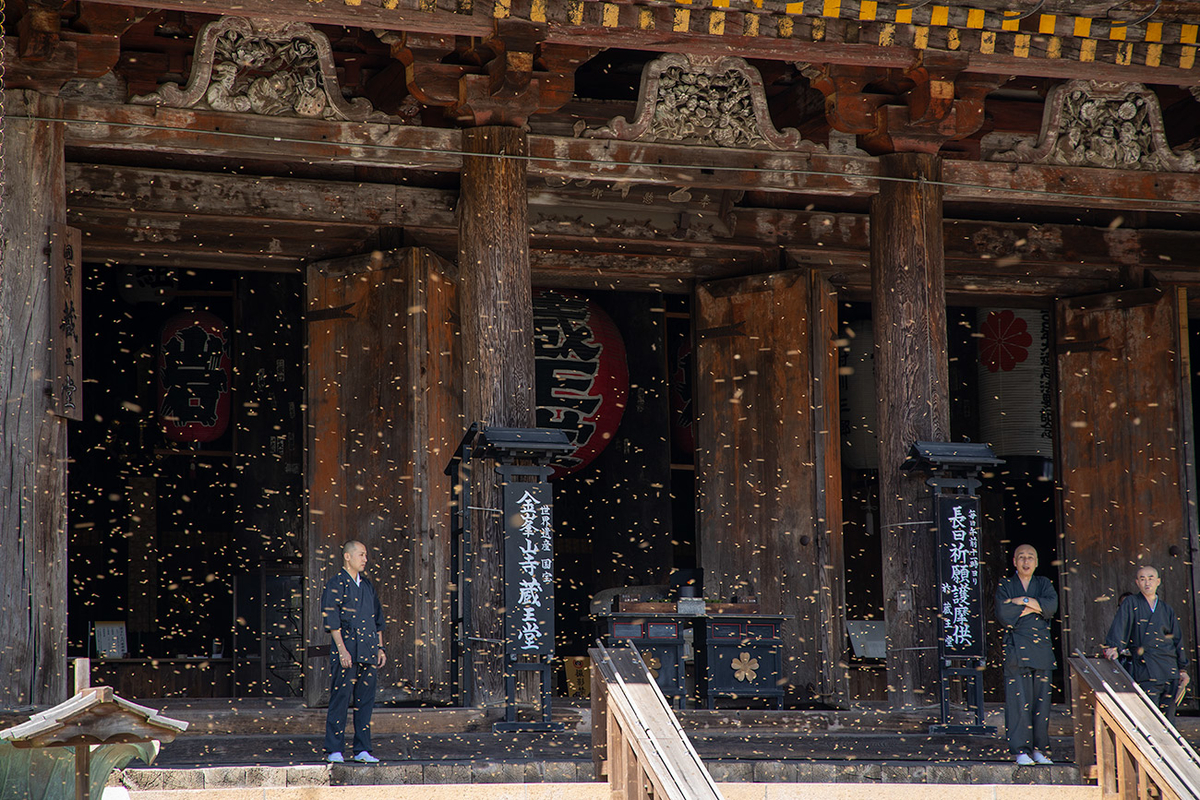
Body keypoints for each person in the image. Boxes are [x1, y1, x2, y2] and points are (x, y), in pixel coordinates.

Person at [322, 539, 386, 764]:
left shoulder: (367, 585)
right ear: (347, 556)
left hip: (368, 651)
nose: (365, 559)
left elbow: (377, 620)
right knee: (340, 699)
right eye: (361, 554)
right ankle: (334, 749)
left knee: (365, 702)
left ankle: (362, 749)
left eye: (366, 555)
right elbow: (332, 621)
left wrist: (380, 647)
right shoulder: (336, 584)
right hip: (347, 651)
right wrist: (342, 651)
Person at [995, 544, 1058, 766]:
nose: (1026, 561)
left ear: (1037, 562)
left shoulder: (1043, 583)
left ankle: (1040, 750)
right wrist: (1034, 605)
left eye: (1030, 557)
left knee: (1041, 703)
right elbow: (1003, 613)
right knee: (1019, 702)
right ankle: (1021, 750)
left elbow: (1051, 607)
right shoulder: (1005, 584)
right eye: (1021, 557)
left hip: (1041, 648)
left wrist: (1019, 602)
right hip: (1017, 649)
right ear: (1014, 561)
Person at [1103, 566, 1191, 722]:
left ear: (1158, 581)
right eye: (1142, 579)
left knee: (1168, 720)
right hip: (1146, 667)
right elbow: (1120, 623)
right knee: (1149, 719)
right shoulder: (1131, 602)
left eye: (1150, 578)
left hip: (1169, 669)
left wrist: (1182, 669)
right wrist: (1114, 646)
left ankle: (1168, 747)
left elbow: (1177, 640)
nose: (1147, 582)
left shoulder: (1167, 609)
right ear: (1137, 583)